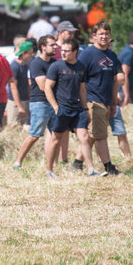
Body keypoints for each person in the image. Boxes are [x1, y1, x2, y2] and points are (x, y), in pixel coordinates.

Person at [78, 21, 121, 176]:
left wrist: (114, 102)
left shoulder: (111, 55)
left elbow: (115, 80)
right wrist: (82, 103)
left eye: (107, 34)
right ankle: (109, 166)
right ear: (94, 36)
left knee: (93, 135)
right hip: (92, 100)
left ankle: (77, 163)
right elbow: (79, 79)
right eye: (101, 34)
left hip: (106, 100)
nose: (104, 37)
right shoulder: (87, 55)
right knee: (100, 135)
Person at [43, 38, 86, 178]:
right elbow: (47, 87)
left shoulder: (80, 67)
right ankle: (49, 170)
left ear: (75, 52)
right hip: (62, 109)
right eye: (62, 50)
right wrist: (56, 107)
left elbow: (82, 90)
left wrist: (85, 108)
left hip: (77, 109)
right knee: (56, 139)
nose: (62, 53)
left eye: (66, 51)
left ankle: (90, 169)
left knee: (85, 137)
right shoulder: (56, 66)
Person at [13, 35, 57, 168]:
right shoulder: (36, 64)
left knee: (57, 135)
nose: (55, 47)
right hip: (40, 103)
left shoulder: (55, 62)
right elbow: (43, 86)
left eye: (55, 45)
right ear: (43, 47)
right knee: (35, 135)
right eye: (52, 45)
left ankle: (53, 165)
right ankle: (18, 162)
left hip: (54, 103)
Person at [6, 40, 34, 129]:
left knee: (22, 127)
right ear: (23, 53)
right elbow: (13, 87)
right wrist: (19, 106)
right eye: (29, 53)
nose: (31, 55)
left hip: (24, 99)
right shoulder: (14, 66)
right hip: (15, 102)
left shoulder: (25, 66)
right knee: (12, 127)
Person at [118, 32, 133, 105]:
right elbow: (124, 73)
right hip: (127, 92)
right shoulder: (129, 53)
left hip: (127, 91)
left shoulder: (127, 51)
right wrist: (127, 95)